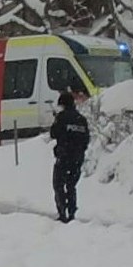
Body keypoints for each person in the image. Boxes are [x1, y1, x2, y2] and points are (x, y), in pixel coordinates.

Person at [50, 90, 91, 222]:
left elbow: (53, 133)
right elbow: (86, 139)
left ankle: (62, 212)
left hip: (64, 156)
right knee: (71, 185)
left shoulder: (61, 117)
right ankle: (72, 212)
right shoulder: (81, 119)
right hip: (77, 157)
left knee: (58, 183)